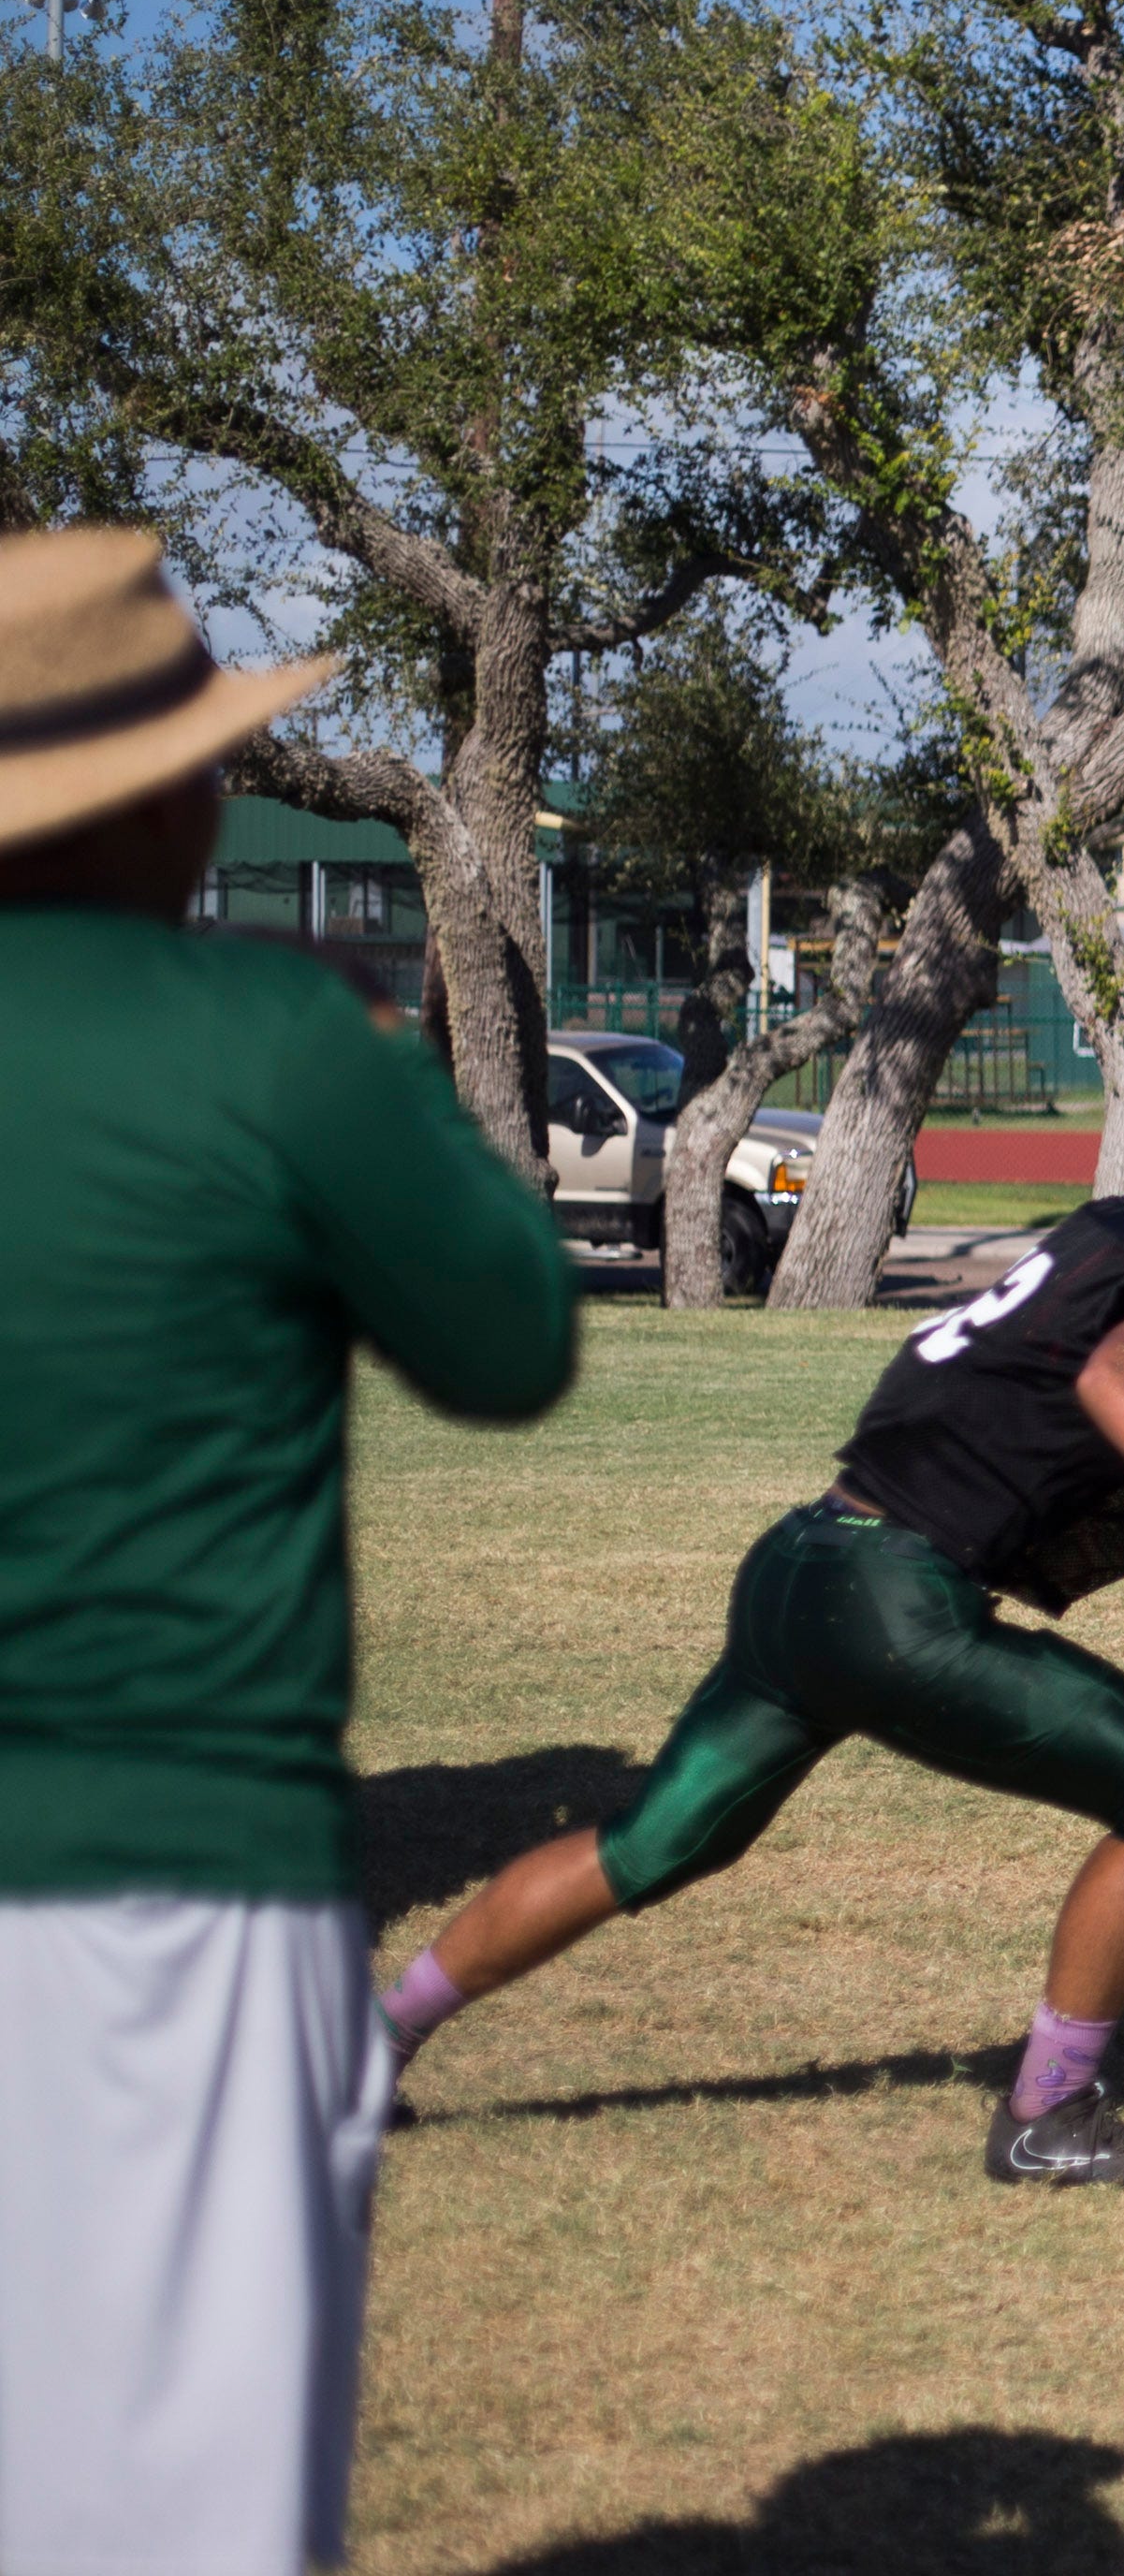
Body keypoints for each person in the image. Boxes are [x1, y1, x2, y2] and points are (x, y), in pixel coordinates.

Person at [380, 1068, 1124, 2189]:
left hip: (804, 1560)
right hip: (898, 1598)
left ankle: (377, 2037)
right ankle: (1049, 2109)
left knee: (648, 1844)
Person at [0, 527, 580, 2576]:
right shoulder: (260, 1037)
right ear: (160, 793)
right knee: (176, 2503)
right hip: (164, 1871)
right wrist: (371, 1078)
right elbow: (509, 1339)